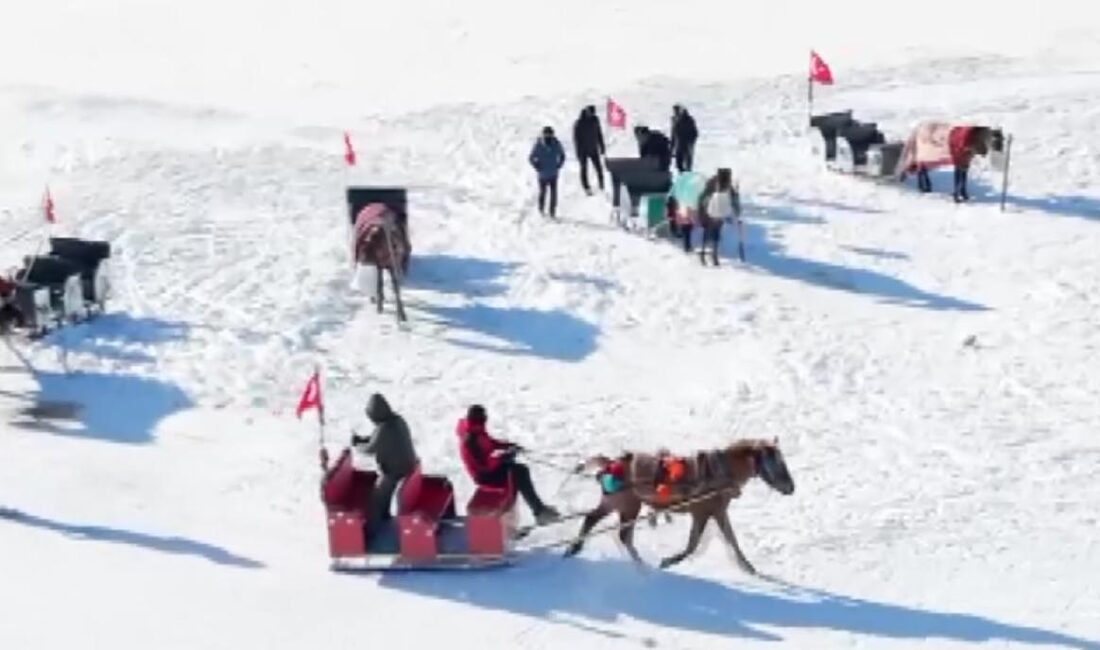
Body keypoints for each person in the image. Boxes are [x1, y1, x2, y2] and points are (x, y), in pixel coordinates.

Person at [455, 404, 560, 525]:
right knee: (519, 473)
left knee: (519, 469)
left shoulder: (476, 429)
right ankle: (539, 512)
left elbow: (490, 443)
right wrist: (503, 457)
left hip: (489, 469)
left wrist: (508, 446)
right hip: (484, 476)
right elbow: (484, 466)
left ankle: (538, 510)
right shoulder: (470, 441)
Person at [351, 393, 418, 523]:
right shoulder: (398, 420)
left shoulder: (384, 430)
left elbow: (370, 449)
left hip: (397, 472)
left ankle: (378, 526)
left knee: (377, 497)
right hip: (408, 464)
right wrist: (362, 439)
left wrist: (356, 445)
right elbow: (376, 440)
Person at [697, 168, 742, 266]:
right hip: (718, 212)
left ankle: (705, 254)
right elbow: (734, 199)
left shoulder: (712, 183)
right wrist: (737, 211)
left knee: (708, 232)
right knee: (715, 232)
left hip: (709, 212)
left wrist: (701, 210)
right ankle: (713, 255)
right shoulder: (726, 185)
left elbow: (702, 197)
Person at [529, 126, 566, 218]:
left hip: (553, 173)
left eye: (550, 134)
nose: (548, 136)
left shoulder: (556, 143)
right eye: (546, 134)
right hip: (543, 174)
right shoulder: (539, 145)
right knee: (543, 192)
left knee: (553, 193)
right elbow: (531, 158)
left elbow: (562, 155)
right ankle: (541, 208)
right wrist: (537, 166)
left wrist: (559, 165)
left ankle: (552, 211)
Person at [572, 105, 606, 195]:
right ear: (587, 112)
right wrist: (578, 152)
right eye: (590, 113)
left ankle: (602, 185)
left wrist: (602, 146)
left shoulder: (595, 120)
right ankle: (586, 187)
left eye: (593, 113)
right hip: (583, 150)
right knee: (584, 169)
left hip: (593, 148)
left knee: (599, 167)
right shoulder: (579, 123)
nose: (592, 115)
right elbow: (576, 139)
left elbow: (599, 133)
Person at [670, 105, 699, 173]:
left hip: (687, 142)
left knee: (687, 162)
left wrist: (690, 143)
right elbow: (673, 134)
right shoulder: (674, 119)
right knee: (679, 163)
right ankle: (682, 174)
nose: (676, 113)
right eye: (675, 111)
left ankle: (687, 174)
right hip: (679, 143)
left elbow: (695, 133)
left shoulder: (689, 120)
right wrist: (671, 148)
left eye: (677, 111)